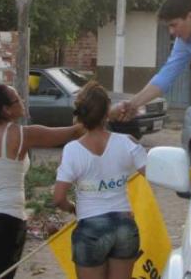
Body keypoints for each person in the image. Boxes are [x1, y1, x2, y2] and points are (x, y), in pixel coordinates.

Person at [0, 84, 85, 279]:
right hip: (8, 219)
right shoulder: (24, 134)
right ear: (6, 109)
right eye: (18, 100)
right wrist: (101, 113)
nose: (23, 101)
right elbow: (73, 132)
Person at [54, 81, 146, 279]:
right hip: (124, 227)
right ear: (107, 113)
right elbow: (155, 173)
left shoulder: (72, 150)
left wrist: (72, 208)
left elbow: (58, 198)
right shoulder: (127, 142)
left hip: (90, 228)